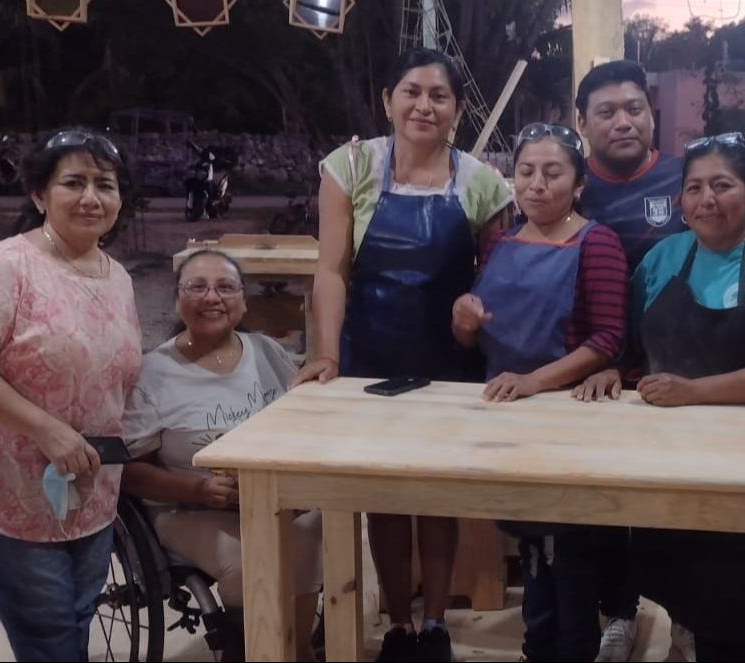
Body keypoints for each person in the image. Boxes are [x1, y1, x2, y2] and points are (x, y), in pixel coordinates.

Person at [292, 46, 514, 663]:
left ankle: (436, 624)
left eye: (438, 95)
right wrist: (326, 354)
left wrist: (478, 332)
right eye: (411, 92)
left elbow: (495, 282)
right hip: (368, 358)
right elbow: (332, 271)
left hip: (450, 363)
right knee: (384, 496)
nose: (424, 105)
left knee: (436, 497)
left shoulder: (483, 182)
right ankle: (397, 625)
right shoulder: (351, 166)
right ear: (388, 101)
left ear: (457, 110)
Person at [577, 133, 745, 660]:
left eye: (722, 185)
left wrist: (692, 393)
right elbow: (630, 337)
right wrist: (611, 369)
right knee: (666, 573)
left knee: (725, 610)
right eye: (694, 188)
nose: (706, 199)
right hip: (663, 455)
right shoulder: (665, 257)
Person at [0, 128, 141, 661]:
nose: (91, 197)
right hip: (11, 488)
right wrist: (47, 429)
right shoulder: (5, 267)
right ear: (40, 194)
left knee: (77, 620)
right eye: (74, 182)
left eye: (104, 184)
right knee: (49, 637)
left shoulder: (119, 278)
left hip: (93, 488)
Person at [453, 122, 629, 660]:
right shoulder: (500, 243)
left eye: (553, 173)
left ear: (578, 184)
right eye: (526, 172)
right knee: (530, 542)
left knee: (568, 546)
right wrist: (463, 320)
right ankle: (539, 645)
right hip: (506, 416)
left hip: (569, 418)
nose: (537, 184)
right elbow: (474, 337)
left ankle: (572, 647)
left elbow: (607, 338)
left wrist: (535, 383)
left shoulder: (596, 242)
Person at [121, 250, 323, 662]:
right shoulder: (153, 373)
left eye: (225, 287)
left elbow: (300, 424)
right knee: (251, 559)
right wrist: (199, 488)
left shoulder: (266, 352)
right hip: (188, 508)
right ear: (177, 300)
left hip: (272, 498)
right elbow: (132, 474)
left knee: (317, 527)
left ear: (244, 301)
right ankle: (260, 647)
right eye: (197, 286)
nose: (211, 297)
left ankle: (296, 650)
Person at [570, 58, 690, 663]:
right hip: (593, 381)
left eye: (634, 108)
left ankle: (687, 621)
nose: (624, 121)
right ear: (583, 122)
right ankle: (616, 612)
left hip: (683, 380)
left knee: (680, 510)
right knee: (602, 508)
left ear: (652, 113)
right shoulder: (567, 186)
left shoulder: (686, 180)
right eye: (607, 112)